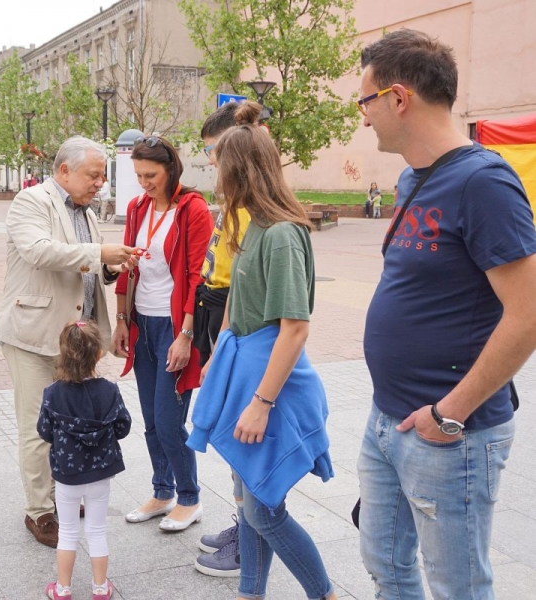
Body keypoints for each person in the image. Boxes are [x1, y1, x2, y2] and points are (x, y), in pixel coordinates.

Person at [357, 29, 536, 600]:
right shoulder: (413, 177)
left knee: (458, 586)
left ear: (398, 98)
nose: (363, 117)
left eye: (364, 101)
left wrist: (450, 413)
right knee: (385, 565)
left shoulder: (484, 182)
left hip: (450, 433)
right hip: (388, 418)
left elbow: (528, 314)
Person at [188, 124, 337, 600]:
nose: (214, 174)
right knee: (252, 498)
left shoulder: (282, 234)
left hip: (273, 385)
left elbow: (294, 328)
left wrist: (261, 403)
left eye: (218, 164)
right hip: (250, 372)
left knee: (263, 510)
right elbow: (237, 295)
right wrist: (218, 355)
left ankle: (325, 594)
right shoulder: (253, 224)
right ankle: (250, 592)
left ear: (240, 169)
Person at [0, 136, 134, 548]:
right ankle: (39, 511)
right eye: (94, 175)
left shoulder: (85, 212)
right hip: (34, 334)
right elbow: (40, 252)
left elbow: (89, 268)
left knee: (67, 422)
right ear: (64, 170)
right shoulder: (31, 201)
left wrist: (113, 266)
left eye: (103, 176)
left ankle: (62, 494)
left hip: (75, 340)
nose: (100, 183)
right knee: (37, 428)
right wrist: (101, 252)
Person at [113, 135, 213, 533]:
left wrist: (186, 335)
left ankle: (189, 498)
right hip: (143, 323)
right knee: (152, 421)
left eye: (151, 175)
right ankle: (162, 491)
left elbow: (198, 277)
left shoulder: (193, 209)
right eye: (138, 175)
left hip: (175, 327)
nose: (144, 183)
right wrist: (122, 318)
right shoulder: (137, 208)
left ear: (171, 169)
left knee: (170, 422)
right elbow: (127, 266)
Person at [191, 99, 262, 578]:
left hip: (234, 322)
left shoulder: (256, 211)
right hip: (215, 312)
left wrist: (223, 341)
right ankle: (245, 525)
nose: (212, 163)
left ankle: (251, 538)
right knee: (229, 432)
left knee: (241, 434)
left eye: (215, 152)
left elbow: (244, 284)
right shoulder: (233, 202)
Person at [38, 321, 132, 600]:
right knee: (96, 530)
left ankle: (63, 589)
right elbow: (123, 427)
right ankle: (100, 588)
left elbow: (44, 431)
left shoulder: (53, 393)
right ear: (99, 354)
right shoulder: (110, 390)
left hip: (67, 475)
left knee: (68, 532)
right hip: (101, 472)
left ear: (63, 354)